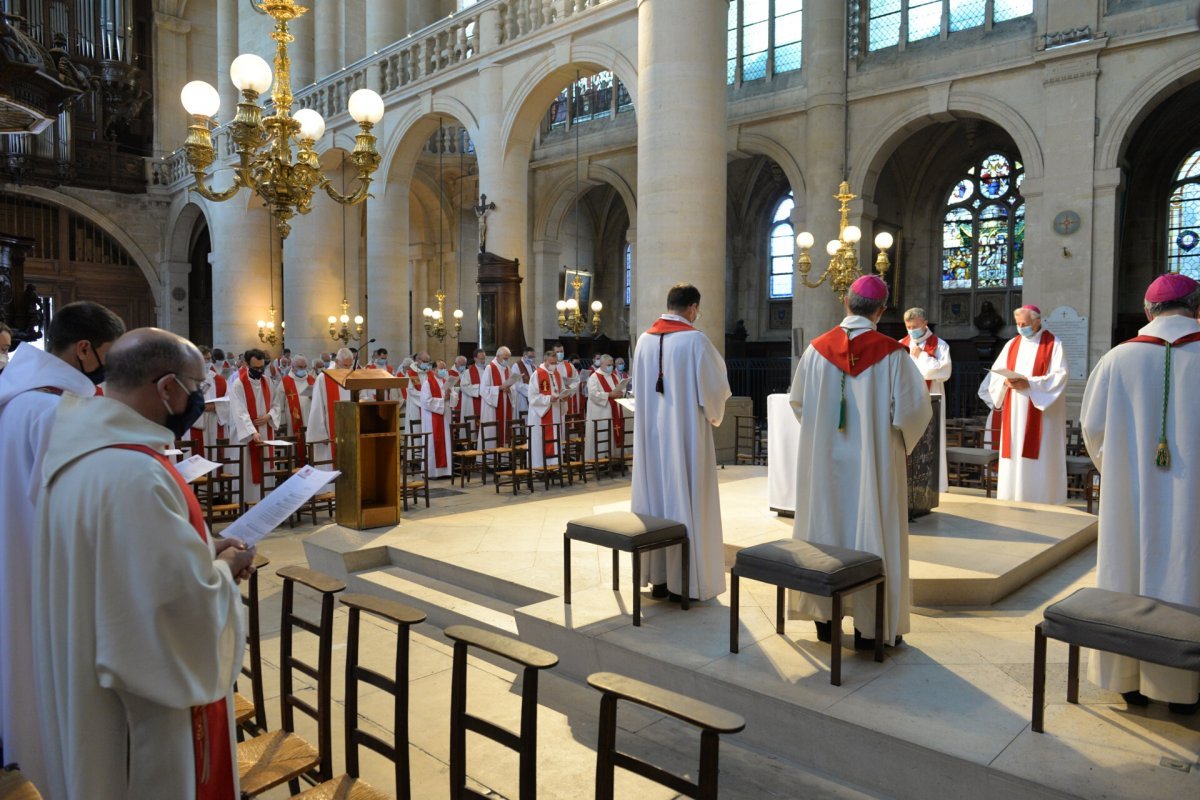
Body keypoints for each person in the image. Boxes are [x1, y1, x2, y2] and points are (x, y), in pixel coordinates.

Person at [32, 327, 255, 800]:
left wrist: (202, 550)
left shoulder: (77, 450)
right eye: (195, 388)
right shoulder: (135, 475)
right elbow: (174, 609)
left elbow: (120, 564)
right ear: (167, 387)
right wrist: (227, 567)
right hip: (141, 713)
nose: (198, 400)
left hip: (86, 670)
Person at [0, 301, 125, 791]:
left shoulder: (17, 398)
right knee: (53, 709)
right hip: (52, 583)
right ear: (84, 349)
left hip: (18, 560)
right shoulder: (57, 411)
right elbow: (86, 520)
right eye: (109, 353)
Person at [789, 275, 931, 647]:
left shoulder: (815, 350)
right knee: (872, 534)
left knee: (824, 531)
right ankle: (871, 630)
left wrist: (825, 434)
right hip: (875, 465)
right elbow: (913, 412)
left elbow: (799, 403)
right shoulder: (893, 355)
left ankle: (823, 621)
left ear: (846, 304)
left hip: (824, 465)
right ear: (881, 312)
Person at [1081, 273, 1200, 715]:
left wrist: (1122, 473)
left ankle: (1126, 680)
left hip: (1129, 498)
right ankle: (1184, 687)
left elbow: (1093, 431)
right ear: (1196, 309)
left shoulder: (1116, 359)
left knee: (1126, 572)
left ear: (1148, 311)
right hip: (1195, 503)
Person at [632, 284, 732, 602]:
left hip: (651, 442)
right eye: (697, 311)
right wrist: (714, 415)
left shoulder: (644, 342)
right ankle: (686, 583)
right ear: (691, 308)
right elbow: (715, 393)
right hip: (686, 440)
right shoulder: (696, 341)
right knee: (686, 500)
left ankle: (659, 579)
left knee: (656, 502)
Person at [983, 304, 1069, 504]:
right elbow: (995, 374)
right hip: (1014, 410)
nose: (1021, 327)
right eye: (1018, 324)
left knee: (1039, 455)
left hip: (1040, 412)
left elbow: (1060, 376)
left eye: (1025, 324)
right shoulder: (1012, 344)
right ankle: (1011, 496)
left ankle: (1043, 499)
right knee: (1014, 451)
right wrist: (1004, 381)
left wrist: (1029, 383)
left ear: (1037, 321)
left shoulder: (1054, 344)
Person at [900, 308, 952, 492]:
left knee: (930, 440)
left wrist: (920, 355)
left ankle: (933, 485)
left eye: (915, 326)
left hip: (931, 398)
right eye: (908, 327)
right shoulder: (901, 344)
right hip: (906, 400)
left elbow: (943, 372)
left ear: (925, 323)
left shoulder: (940, 345)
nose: (911, 330)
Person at [227, 348, 276, 503]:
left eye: (262, 367)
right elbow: (240, 412)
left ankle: (265, 503)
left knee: (265, 469)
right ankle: (247, 505)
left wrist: (269, 416)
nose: (259, 371)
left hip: (265, 432)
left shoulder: (267, 381)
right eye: (255, 368)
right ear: (247, 365)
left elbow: (277, 405)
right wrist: (253, 432)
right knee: (248, 472)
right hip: (247, 437)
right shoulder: (238, 385)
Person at [307, 347, 356, 464]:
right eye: (345, 365)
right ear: (337, 362)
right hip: (329, 431)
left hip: (348, 429)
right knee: (330, 462)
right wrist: (321, 433)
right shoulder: (324, 378)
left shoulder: (351, 375)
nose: (348, 369)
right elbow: (317, 407)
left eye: (350, 365)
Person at [527, 348, 569, 468]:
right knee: (540, 442)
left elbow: (560, 391)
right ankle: (540, 467)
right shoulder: (537, 374)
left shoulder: (556, 374)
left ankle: (555, 466)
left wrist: (564, 397)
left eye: (556, 363)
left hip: (554, 413)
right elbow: (532, 397)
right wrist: (548, 399)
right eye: (552, 363)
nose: (554, 365)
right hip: (541, 416)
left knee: (555, 439)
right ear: (545, 361)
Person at [419, 360, 460, 478]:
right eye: (441, 369)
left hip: (445, 417)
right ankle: (432, 472)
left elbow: (454, 397)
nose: (443, 371)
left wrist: (451, 396)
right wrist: (443, 400)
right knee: (433, 443)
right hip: (432, 419)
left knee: (445, 441)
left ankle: (446, 471)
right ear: (433, 370)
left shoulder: (446, 382)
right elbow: (426, 402)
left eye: (444, 369)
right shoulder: (427, 383)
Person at [273, 354, 315, 465]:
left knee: (310, 450)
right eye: (300, 367)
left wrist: (315, 397)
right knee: (294, 452)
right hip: (292, 425)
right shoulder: (285, 382)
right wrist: (282, 424)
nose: (303, 369)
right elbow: (278, 405)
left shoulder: (312, 380)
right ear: (293, 366)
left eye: (304, 367)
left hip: (310, 422)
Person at [585, 354, 627, 461]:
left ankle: (615, 457)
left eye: (612, 364)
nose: (611, 366)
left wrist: (621, 393)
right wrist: (609, 395)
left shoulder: (614, 376)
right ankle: (600, 459)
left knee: (614, 433)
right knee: (603, 435)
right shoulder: (594, 377)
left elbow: (621, 387)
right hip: (601, 413)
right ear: (602, 364)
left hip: (614, 411)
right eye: (608, 364)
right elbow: (593, 394)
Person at [480, 346, 517, 446]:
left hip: (506, 405)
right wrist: (499, 388)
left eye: (508, 358)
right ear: (497, 356)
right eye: (505, 358)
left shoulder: (508, 369)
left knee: (505, 431)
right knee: (493, 432)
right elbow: (483, 389)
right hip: (493, 407)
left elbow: (513, 387)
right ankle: (491, 457)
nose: (506, 361)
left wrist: (510, 389)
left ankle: (505, 456)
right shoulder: (489, 368)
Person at [459, 348, 487, 427]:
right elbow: (463, 386)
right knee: (473, 425)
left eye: (484, 358)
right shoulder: (468, 372)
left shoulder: (488, 370)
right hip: (472, 403)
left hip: (485, 402)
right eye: (481, 359)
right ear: (475, 358)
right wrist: (478, 389)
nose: (483, 361)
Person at [513, 346, 536, 415]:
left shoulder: (534, 366)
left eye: (533, 357)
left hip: (533, 396)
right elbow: (516, 384)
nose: (531, 359)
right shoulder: (516, 366)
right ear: (524, 355)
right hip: (522, 398)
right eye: (530, 357)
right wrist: (531, 388)